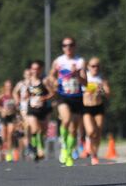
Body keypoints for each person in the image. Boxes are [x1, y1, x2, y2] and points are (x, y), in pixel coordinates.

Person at [49, 36, 86, 167]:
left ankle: (69, 152)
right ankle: (64, 145)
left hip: (76, 96)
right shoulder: (59, 61)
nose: (68, 48)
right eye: (65, 45)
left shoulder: (80, 61)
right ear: (62, 48)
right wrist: (53, 82)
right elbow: (51, 75)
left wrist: (77, 74)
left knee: (73, 129)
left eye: (70, 45)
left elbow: (85, 82)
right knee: (66, 120)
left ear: (74, 46)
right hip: (62, 96)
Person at [82, 58, 110, 165]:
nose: (95, 68)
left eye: (97, 66)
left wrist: (102, 90)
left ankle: (94, 155)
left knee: (98, 132)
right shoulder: (85, 77)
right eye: (93, 66)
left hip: (98, 107)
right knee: (91, 131)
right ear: (88, 67)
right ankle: (87, 142)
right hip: (86, 107)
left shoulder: (102, 78)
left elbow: (108, 93)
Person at [24, 60, 53, 161]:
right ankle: (38, 150)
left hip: (42, 109)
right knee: (36, 129)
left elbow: (52, 93)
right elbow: (27, 94)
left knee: (43, 131)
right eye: (33, 69)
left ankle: (35, 147)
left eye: (37, 69)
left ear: (40, 70)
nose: (35, 71)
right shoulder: (28, 82)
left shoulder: (44, 81)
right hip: (32, 109)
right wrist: (27, 96)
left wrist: (43, 98)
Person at [0, 80, 18, 161]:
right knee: (4, 136)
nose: (9, 87)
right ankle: (5, 147)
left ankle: (9, 153)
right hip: (4, 117)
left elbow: (18, 104)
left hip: (12, 116)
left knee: (10, 134)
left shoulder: (14, 95)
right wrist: (1, 110)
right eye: (7, 86)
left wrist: (15, 108)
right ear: (5, 86)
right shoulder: (2, 95)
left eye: (10, 85)